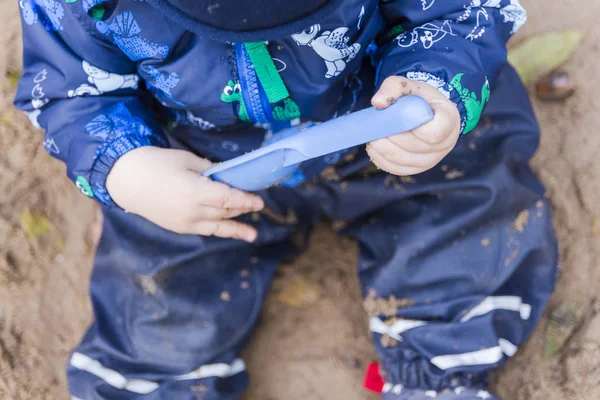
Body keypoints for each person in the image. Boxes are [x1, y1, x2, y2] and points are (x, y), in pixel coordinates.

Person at [14, 0, 558, 398]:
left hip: (374, 128)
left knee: (473, 192)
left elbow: (459, 14)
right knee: (156, 302)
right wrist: (128, 170)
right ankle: (158, 386)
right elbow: (67, 93)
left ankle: (441, 368)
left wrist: (435, 88)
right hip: (205, 172)